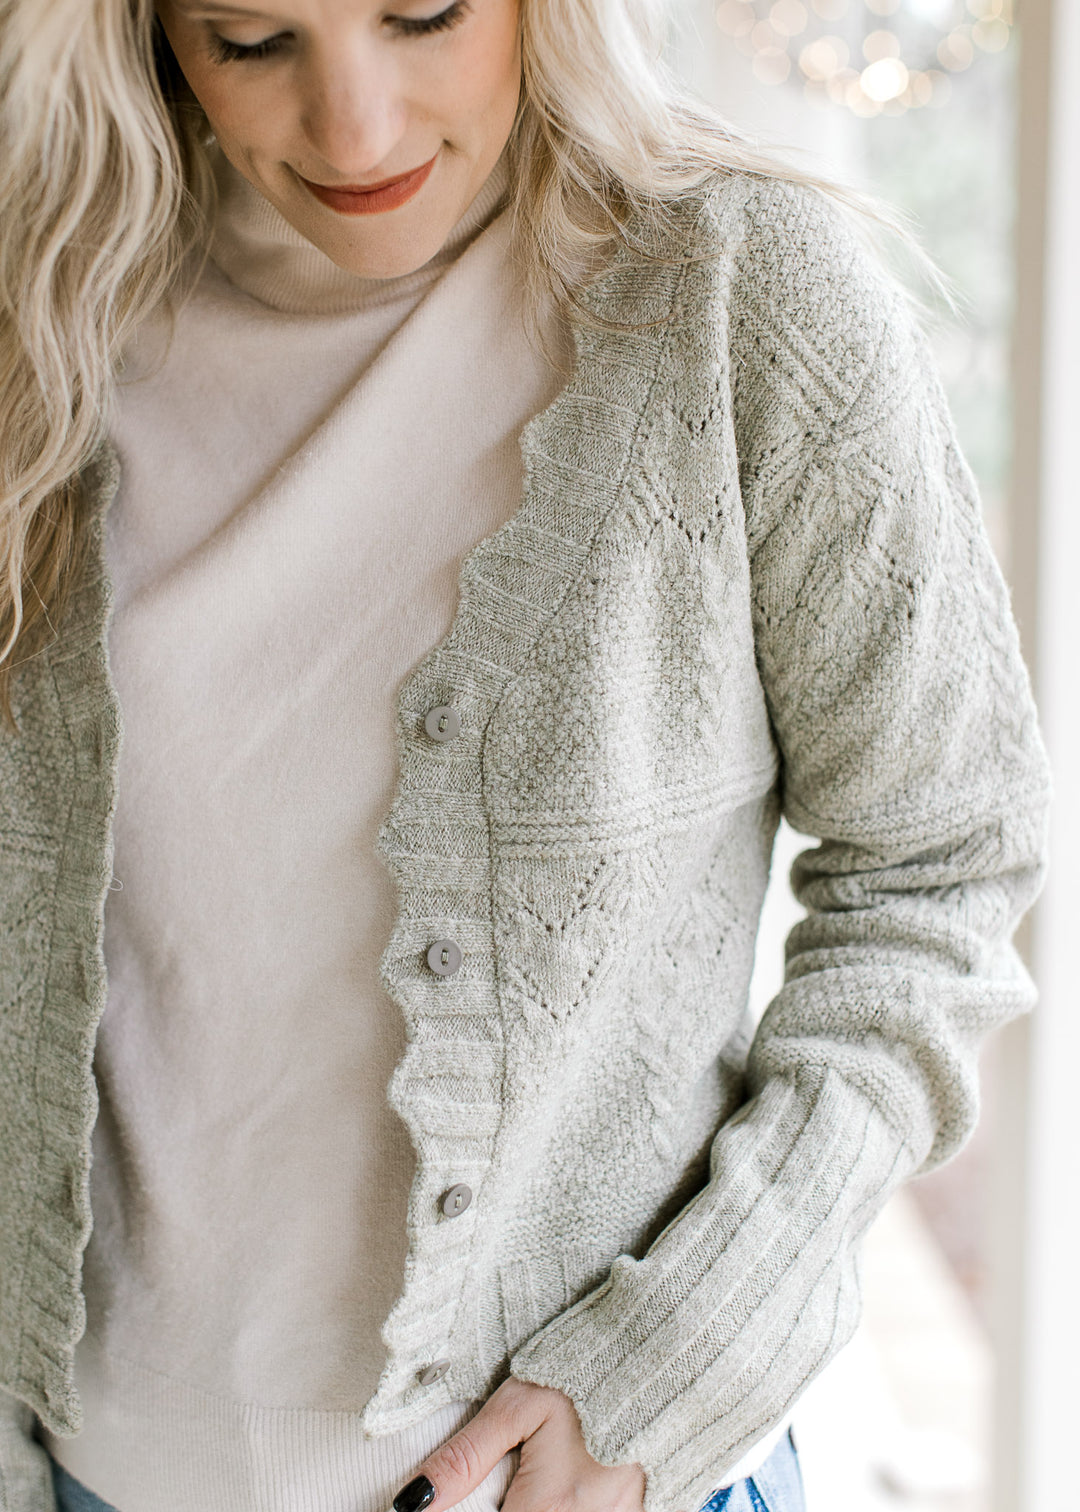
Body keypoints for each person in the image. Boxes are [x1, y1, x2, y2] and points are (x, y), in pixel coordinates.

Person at [0, 0, 1050, 1509]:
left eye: (422, 13)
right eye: (251, 39)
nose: (354, 126)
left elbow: (944, 865)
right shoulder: (45, 325)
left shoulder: (739, 291)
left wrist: (686, 1349)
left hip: (590, 1480)